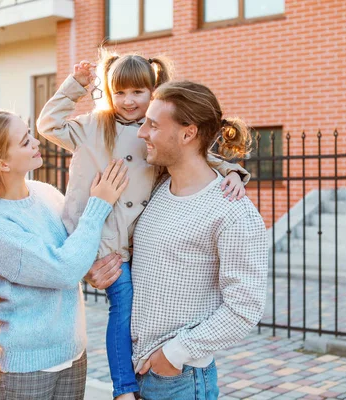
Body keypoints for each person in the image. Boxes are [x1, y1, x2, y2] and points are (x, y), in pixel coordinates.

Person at [36, 51, 251, 399]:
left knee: (137, 308)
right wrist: (75, 85)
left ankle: (136, 377)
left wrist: (232, 171)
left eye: (138, 92)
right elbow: (49, 124)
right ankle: (123, 387)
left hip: (133, 240)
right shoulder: (94, 125)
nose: (128, 100)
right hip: (103, 237)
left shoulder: (153, 131)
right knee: (123, 304)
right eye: (119, 92)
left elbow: (195, 153)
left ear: (152, 92)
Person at [0, 110, 128, 399]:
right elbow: (61, 269)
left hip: (72, 354)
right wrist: (99, 205)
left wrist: (89, 269)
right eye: (24, 142)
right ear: (1, 163)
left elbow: (72, 251)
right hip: (25, 368)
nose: (36, 142)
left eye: (30, 134)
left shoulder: (45, 193)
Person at [129, 81, 269, 400]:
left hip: (179, 378)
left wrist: (174, 356)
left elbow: (245, 307)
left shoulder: (232, 212)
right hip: (137, 372)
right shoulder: (157, 189)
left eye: (153, 124)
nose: (142, 133)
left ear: (188, 133)